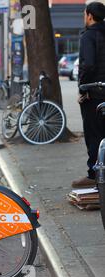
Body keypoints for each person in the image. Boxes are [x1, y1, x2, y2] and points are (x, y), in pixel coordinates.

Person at [72, 2, 105, 188]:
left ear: (90, 15)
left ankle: (94, 175)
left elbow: (89, 64)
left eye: (85, 14)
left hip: (94, 94)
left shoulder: (89, 36)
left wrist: (83, 89)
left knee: (94, 136)